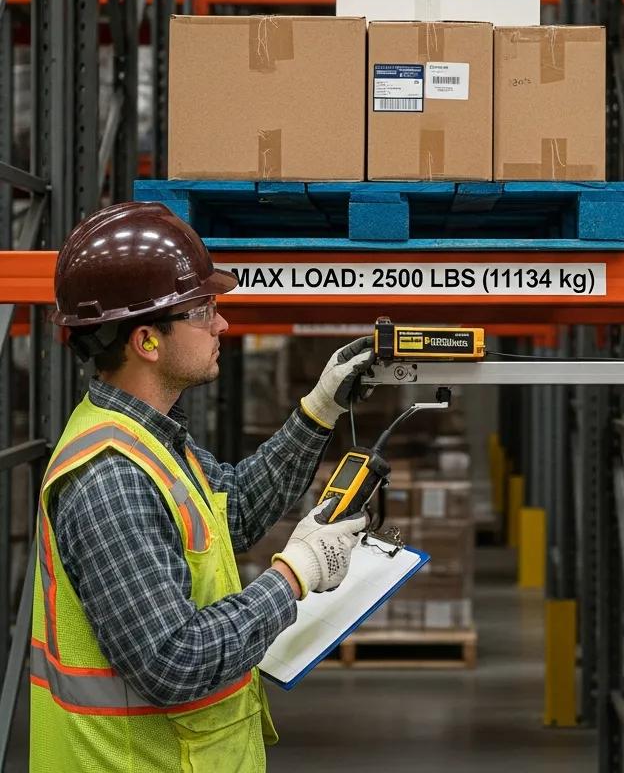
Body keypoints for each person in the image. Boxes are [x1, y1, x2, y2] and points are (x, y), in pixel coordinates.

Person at [31, 200, 374, 772]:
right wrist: (294, 576)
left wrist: (319, 410)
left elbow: (233, 509)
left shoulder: (149, 436)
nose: (222, 324)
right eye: (202, 311)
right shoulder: (112, 478)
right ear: (147, 341)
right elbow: (175, 660)